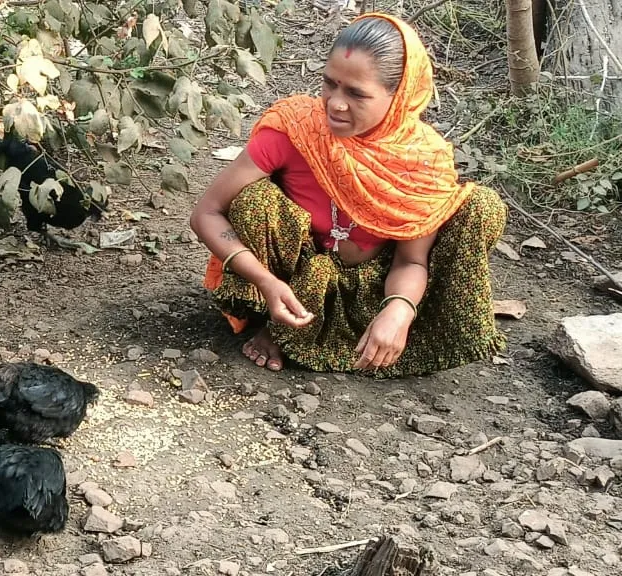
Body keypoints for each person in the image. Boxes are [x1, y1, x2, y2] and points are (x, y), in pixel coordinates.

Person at [189, 13, 506, 377]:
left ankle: (381, 334)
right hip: (292, 281)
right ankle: (280, 323)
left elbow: (411, 262)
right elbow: (206, 214)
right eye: (330, 84)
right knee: (254, 199)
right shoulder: (295, 131)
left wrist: (398, 309)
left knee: (482, 206)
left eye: (356, 94)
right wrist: (265, 281)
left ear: (398, 96)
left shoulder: (424, 162)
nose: (335, 104)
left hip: (371, 288)